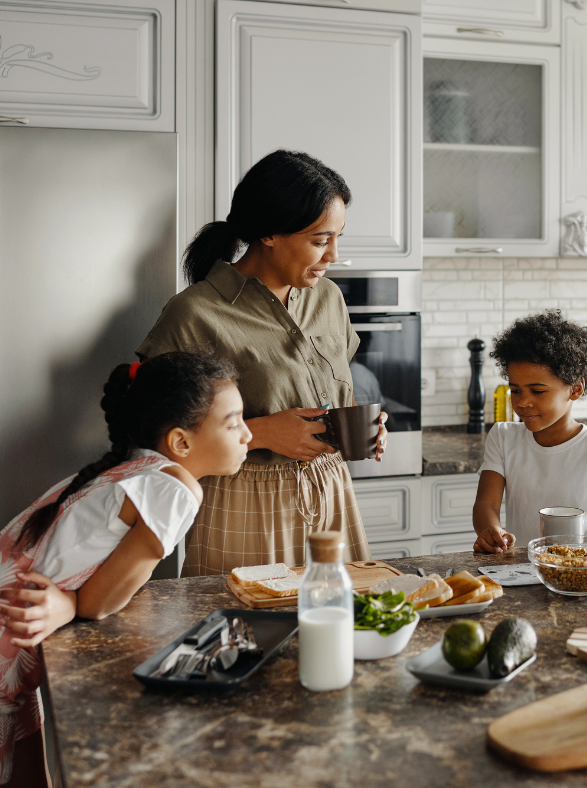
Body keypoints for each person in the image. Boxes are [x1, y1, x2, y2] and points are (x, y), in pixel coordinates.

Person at [0, 351, 250, 787]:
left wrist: (68, 603)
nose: (248, 434)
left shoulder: (130, 466)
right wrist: (71, 603)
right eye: (233, 423)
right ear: (181, 443)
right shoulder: (175, 487)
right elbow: (100, 603)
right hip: (12, 627)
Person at [137, 150, 384, 576]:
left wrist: (361, 428)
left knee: (341, 629)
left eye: (337, 238)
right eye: (321, 240)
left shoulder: (329, 300)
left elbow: (335, 389)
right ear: (269, 233)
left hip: (333, 492)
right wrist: (261, 433)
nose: (334, 256)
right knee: (247, 634)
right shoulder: (195, 313)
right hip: (241, 502)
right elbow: (151, 438)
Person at [472, 310, 587, 553]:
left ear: (575, 389)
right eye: (515, 390)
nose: (523, 402)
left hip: (579, 574)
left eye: (537, 391)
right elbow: (486, 503)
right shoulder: (503, 438)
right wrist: (490, 530)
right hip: (522, 570)